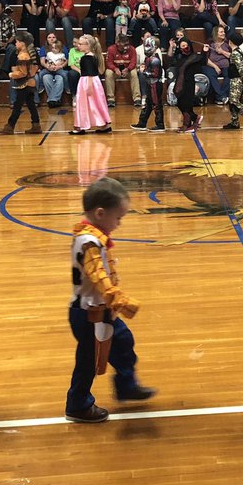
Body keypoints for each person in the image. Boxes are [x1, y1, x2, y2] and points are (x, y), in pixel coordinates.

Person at [65, 177, 154, 425]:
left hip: (101, 311)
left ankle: (127, 385)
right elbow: (99, 276)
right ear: (101, 213)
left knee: (123, 342)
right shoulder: (89, 242)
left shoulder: (94, 237)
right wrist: (121, 301)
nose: (119, 224)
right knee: (88, 362)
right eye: (118, 218)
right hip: (89, 313)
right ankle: (78, 405)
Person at [0, 32, 41, 135]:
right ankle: (36, 125)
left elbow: (23, 73)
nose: (16, 43)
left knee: (17, 106)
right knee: (31, 105)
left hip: (24, 84)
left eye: (17, 42)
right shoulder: (30, 54)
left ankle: (10, 126)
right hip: (30, 82)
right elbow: (34, 68)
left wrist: (12, 74)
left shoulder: (23, 56)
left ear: (22, 43)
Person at [71, 35, 111, 135]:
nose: (78, 45)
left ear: (88, 45)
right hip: (94, 81)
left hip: (87, 81)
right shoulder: (93, 56)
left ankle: (81, 125)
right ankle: (102, 124)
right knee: (96, 103)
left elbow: (89, 73)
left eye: (80, 44)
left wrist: (89, 86)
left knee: (86, 103)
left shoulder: (87, 58)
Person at [131, 37, 166, 132]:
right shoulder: (148, 58)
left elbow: (155, 74)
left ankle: (160, 124)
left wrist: (144, 72)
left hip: (155, 84)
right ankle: (142, 123)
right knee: (148, 104)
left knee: (156, 104)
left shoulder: (155, 60)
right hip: (150, 84)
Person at [173, 39, 207, 132]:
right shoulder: (179, 57)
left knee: (186, 104)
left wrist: (204, 51)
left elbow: (203, 61)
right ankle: (196, 118)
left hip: (189, 83)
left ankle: (187, 124)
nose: (185, 48)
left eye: (186, 45)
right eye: (182, 46)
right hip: (180, 82)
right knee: (180, 103)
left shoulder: (194, 57)